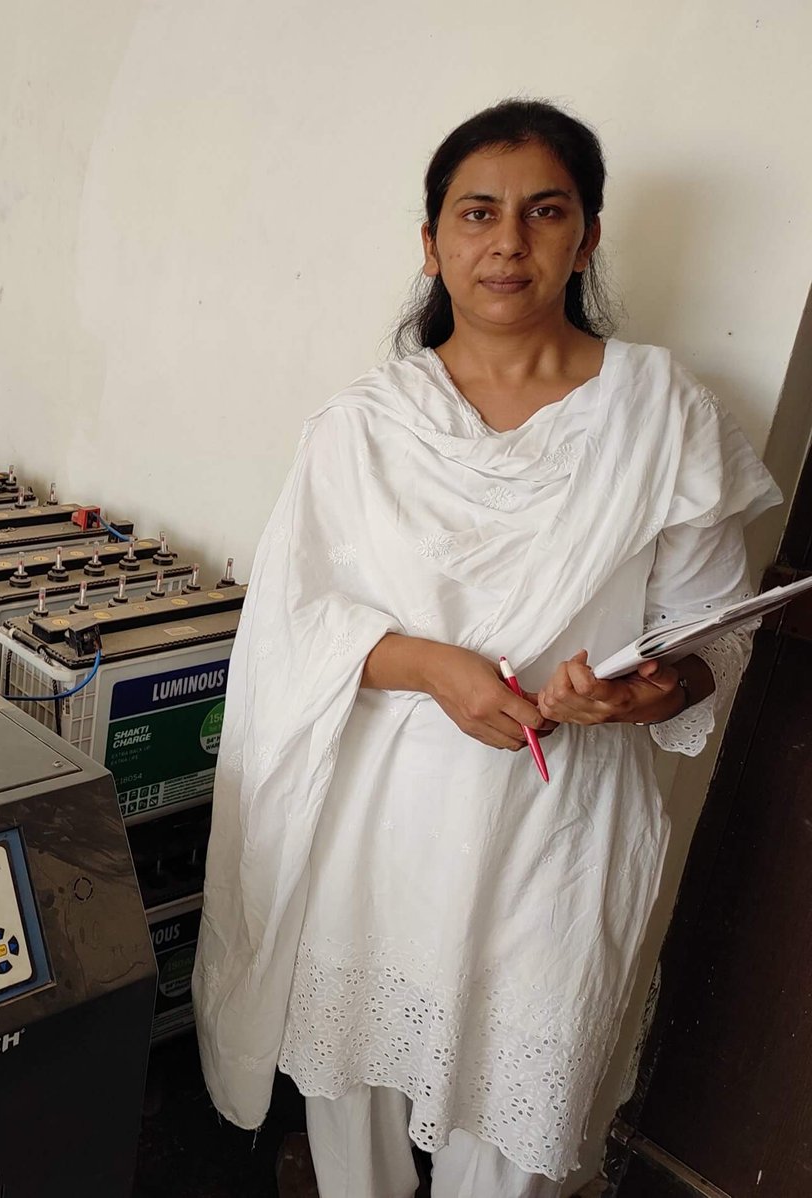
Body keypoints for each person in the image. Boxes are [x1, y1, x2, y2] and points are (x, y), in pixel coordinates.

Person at [191, 99, 781, 1198]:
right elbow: (292, 625)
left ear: (586, 237)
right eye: (476, 213)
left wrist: (643, 694)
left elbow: (713, 634)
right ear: (432, 243)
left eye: (543, 212)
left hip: (562, 826)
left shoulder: (662, 413)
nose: (508, 241)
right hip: (380, 820)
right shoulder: (366, 425)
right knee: (355, 1091)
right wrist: (431, 668)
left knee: (518, 1109)